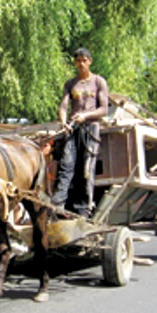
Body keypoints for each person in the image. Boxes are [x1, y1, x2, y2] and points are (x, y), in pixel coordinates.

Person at [51, 48, 109, 217]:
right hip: (72, 127)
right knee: (66, 165)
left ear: (89, 61)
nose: (81, 64)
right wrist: (63, 121)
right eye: (78, 61)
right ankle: (58, 203)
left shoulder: (98, 82)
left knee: (86, 168)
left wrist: (86, 116)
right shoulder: (70, 84)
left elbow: (104, 109)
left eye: (84, 60)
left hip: (91, 128)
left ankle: (84, 207)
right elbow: (63, 106)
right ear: (75, 63)